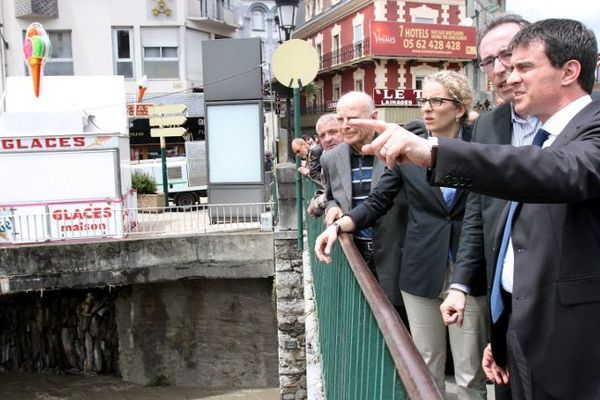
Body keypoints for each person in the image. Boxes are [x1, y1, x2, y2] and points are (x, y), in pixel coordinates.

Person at [348, 18, 600, 400]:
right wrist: (502, 333)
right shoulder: (546, 134)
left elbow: (559, 173)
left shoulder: (590, 129)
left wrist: (434, 154)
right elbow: (504, 230)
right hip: (519, 328)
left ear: (569, 71)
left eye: (523, 67)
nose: (508, 77)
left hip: (572, 343)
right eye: (500, 64)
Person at [316, 72, 488, 400]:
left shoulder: (479, 150)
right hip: (420, 270)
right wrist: (337, 227)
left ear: (461, 108)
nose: (426, 108)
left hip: (470, 271)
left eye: (436, 101)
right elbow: (379, 200)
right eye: (424, 100)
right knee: (424, 365)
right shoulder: (407, 148)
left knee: (469, 374)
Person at [439, 15, 537, 400]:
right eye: (487, 61)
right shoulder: (488, 127)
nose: (499, 69)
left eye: (508, 55)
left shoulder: (583, 119)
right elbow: (478, 212)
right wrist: (461, 284)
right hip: (505, 302)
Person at [320, 91, 416, 319]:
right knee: (362, 321)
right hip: (355, 253)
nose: (345, 126)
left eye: (352, 119)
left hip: (398, 254)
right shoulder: (330, 159)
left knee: (400, 323)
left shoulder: (398, 151)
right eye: (340, 119)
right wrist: (331, 206)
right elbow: (330, 195)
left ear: (374, 116)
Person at [306, 114, 342, 219]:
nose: (327, 139)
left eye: (333, 132)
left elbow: (338, 194)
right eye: (322, 135)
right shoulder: (326, 158)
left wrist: (318, 203)